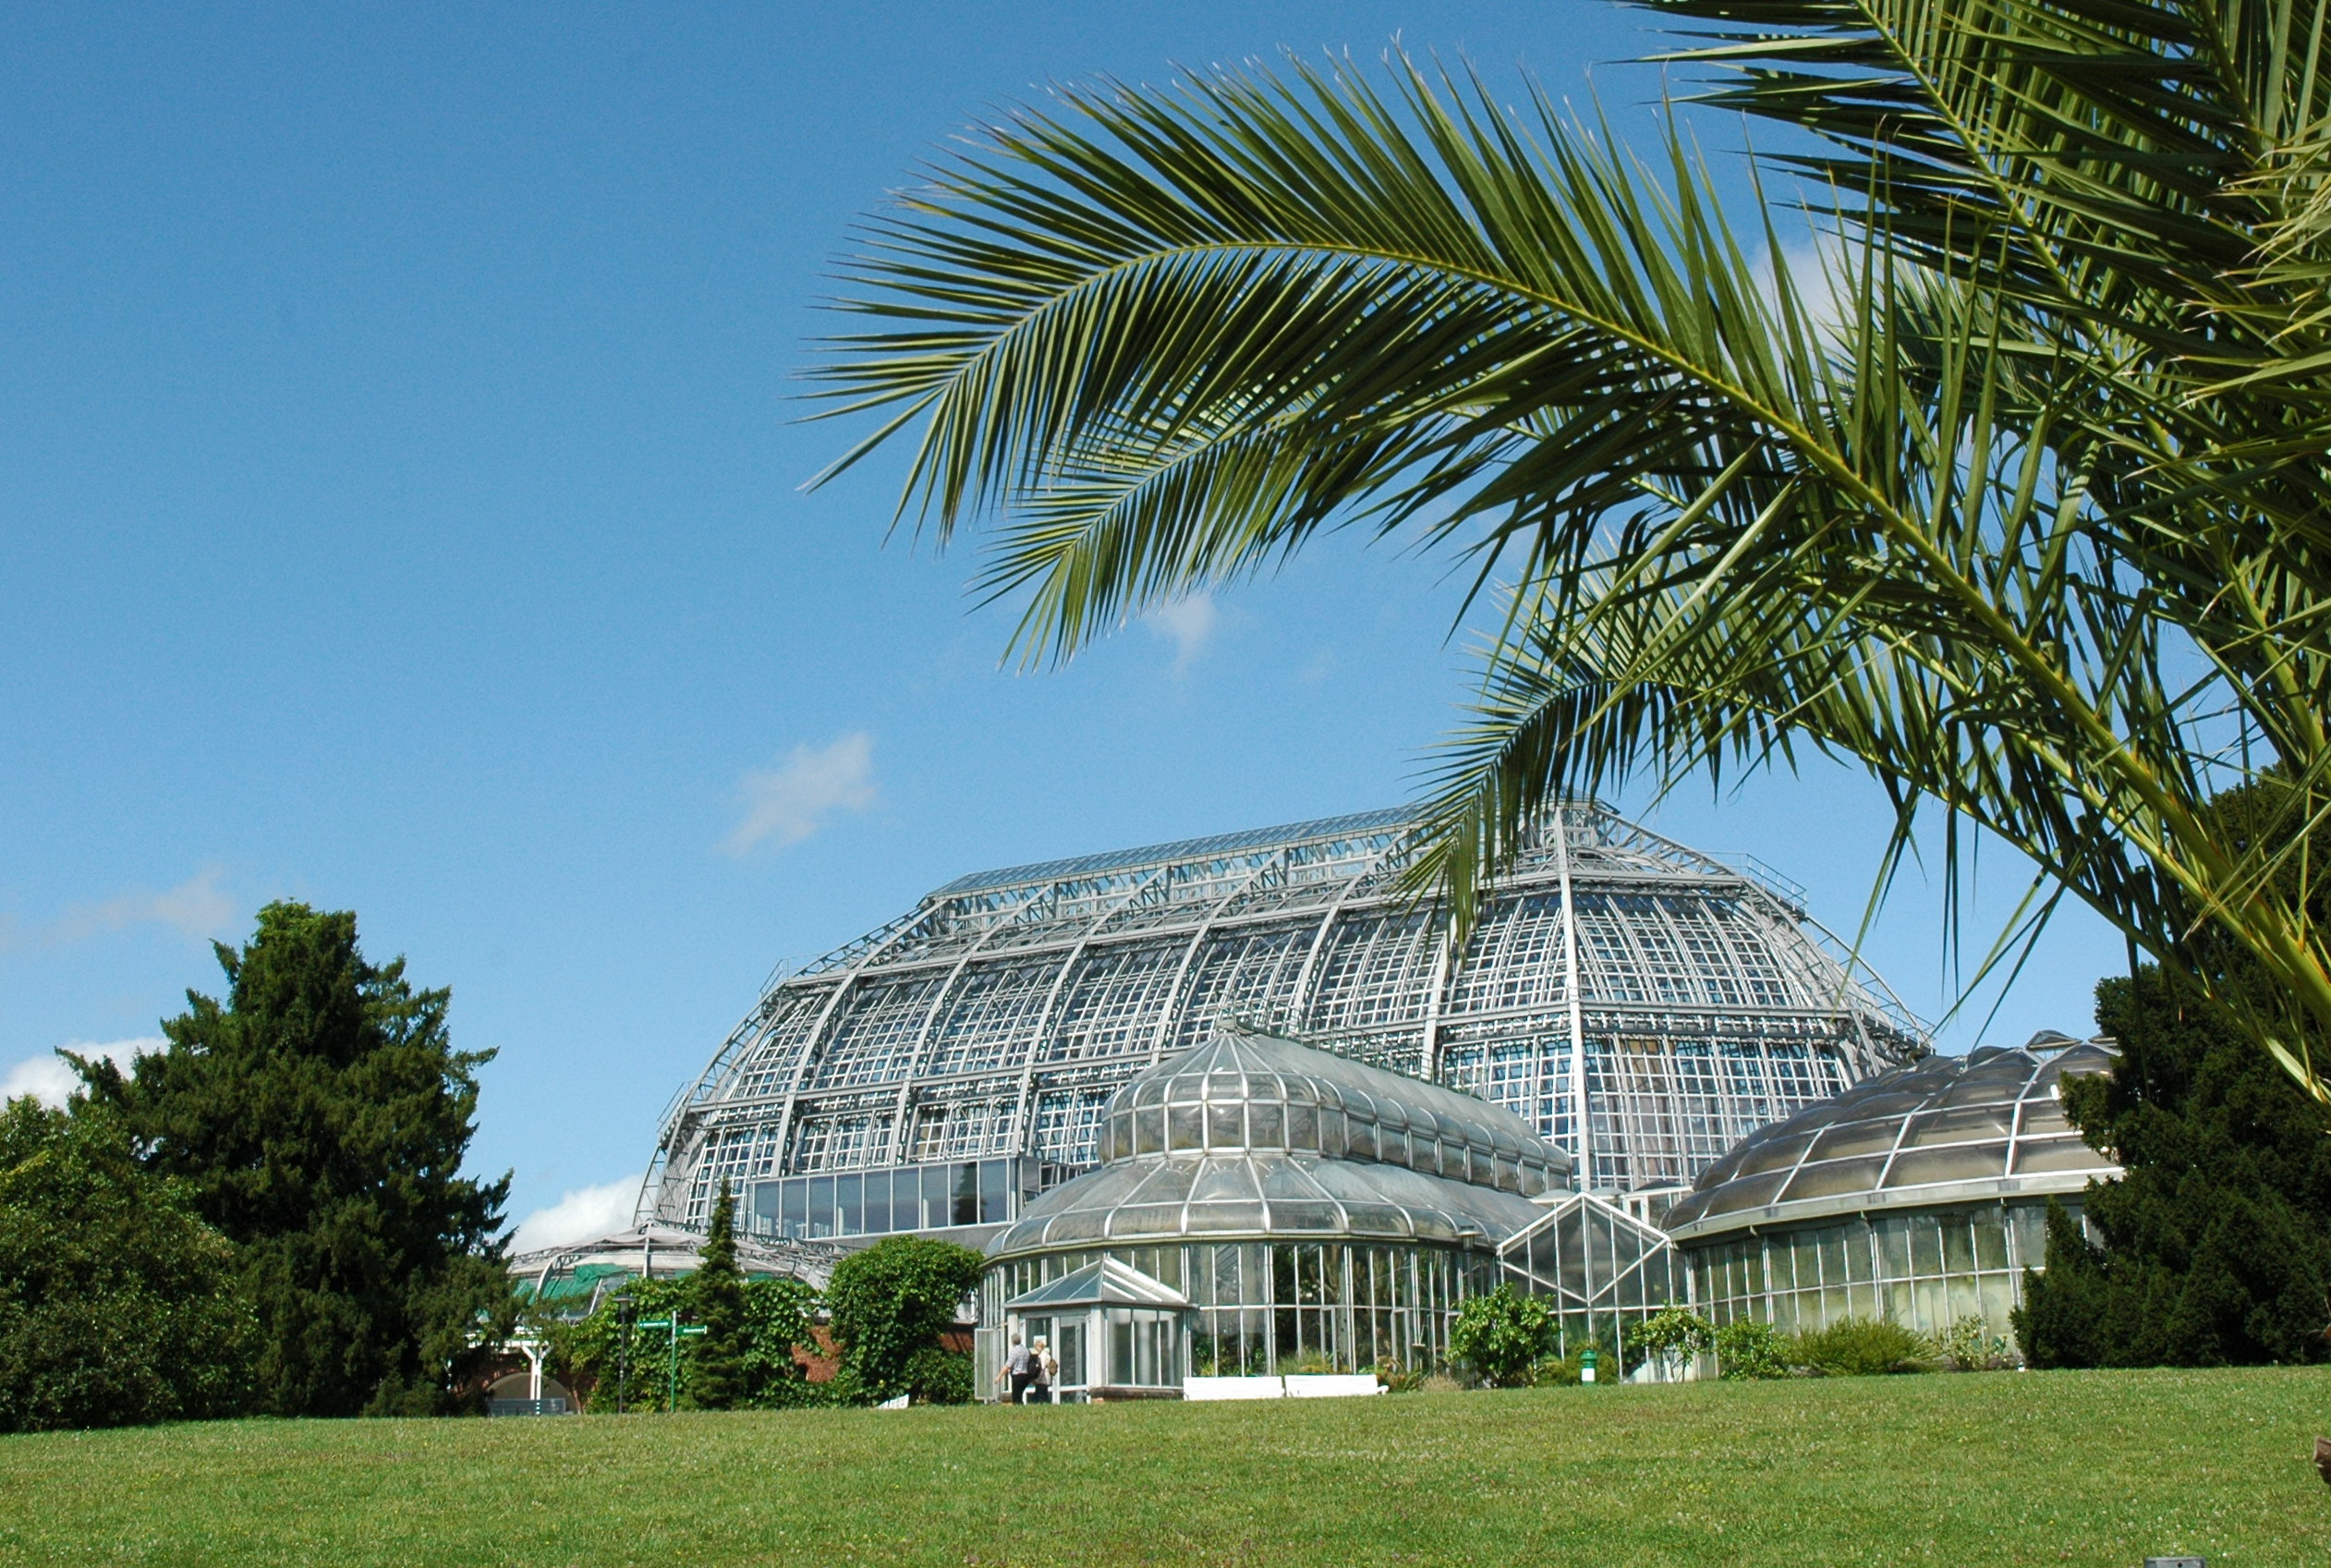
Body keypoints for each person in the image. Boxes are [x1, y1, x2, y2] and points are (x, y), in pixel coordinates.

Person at [996, 1332, 1034, 1405]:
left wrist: (999, 1377)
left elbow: (1008, 1365)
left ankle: (1019, 1412)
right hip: (1026, 1376)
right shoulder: (1026, 1350)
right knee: (1020, 1395)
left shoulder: (1014, 1351)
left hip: (1017, 1376)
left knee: (1016, 1397)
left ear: (1012, 1341)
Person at [1030, 1335, 1055, 1405]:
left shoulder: (1043, 1355)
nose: (1036, 1349)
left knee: (1041, 1394)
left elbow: (1042, 1367)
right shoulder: (1042, 1354)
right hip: (1043, 1378)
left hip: (1043, 1378)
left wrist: (1038, 1378)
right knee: (1041, 1393)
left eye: (1036, 1347)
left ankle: (1041, 1403)